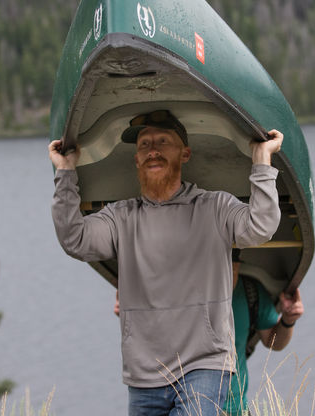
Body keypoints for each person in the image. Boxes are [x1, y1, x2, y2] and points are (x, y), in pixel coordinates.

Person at [49, 109, 283, 415]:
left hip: (205, 364)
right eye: (144, 145)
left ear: (185, 154)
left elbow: (261, 226)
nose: (152, 150)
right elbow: (74, 239)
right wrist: (65, 172)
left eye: (163, 141)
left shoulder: (214, 207)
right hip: (144, 373)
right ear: (136, 160)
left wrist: (261, 158)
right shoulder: (121, 218)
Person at [224, 249, 304, 415]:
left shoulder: (250, 291)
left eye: (233, 263)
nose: (229, 270)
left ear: (239, 263)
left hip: (237, 409)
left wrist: (288, 320)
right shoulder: (188, 295)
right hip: (193, 407)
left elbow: (273, 342)